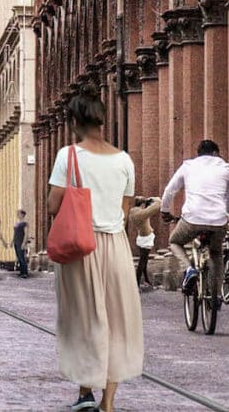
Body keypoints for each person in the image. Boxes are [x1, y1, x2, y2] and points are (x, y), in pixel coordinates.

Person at [47, 83, 142, 412]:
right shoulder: (124, 160)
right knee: (115, 322)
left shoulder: (68, 156)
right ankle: (108, 403)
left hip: (80, 248)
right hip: (116, 248)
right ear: (102, 121)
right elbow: (125, 209)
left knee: (84, 319)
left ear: (75, 122)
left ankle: (85, 391)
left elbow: (52, 204)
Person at [161, 139, 229, 303]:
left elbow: (170, 190)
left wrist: (165, 211)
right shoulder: (225, 168)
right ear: (216, 153)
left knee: (174, 241)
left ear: (199, 154)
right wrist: (225, 213)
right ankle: (216, 295)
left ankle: (189, 269)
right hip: (218, 220)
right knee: (216, 253)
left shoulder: (188, 166)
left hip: (192, 219)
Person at [129, 197, 161, 289]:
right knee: (142, 262)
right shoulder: (141, 213)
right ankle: (137, 284)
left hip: (141, 237)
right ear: (142, 204)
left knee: (144, 261)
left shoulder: (133, 212)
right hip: (146, 238)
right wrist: (152, 199)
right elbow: (158, 204)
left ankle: (147, 281)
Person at [13, 209, 30, 279]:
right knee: (18, 257)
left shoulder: (25, 224)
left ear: (22, 215)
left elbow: (26, 234)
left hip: (21, 242)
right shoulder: (16, 224)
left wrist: (24, 243)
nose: (17, 214)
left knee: (22, 257)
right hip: (16, 242)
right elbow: (15, 234)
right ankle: (21, 272)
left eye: (19, 213)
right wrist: (12, 242)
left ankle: (25, 273)